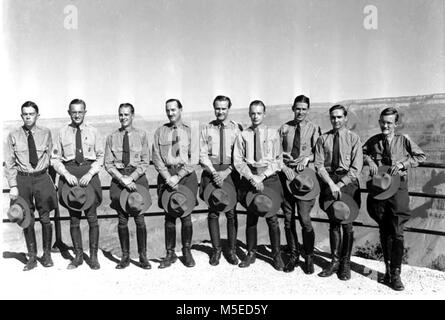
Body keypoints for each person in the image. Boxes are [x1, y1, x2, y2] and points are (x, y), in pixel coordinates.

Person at [363, 107, 426, 291]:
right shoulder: (374, 141)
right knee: (383, 229)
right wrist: (370, 161)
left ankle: (396, 274)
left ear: (396, 124)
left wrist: (403, 163)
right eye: (383, 122)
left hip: (398, 189)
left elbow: (421, 156)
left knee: (397, 230)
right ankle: (387, 272)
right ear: (379, 122)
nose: (385, 125)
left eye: (389, 123)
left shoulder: (403, 140)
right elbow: (362, 152)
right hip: (380, 189)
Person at [5, 101, 58, 271]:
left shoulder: (46, 133)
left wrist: (54, 181)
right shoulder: (13, 135)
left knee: (45, 218)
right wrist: (13, 185)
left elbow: (52, 158)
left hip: (42, 178)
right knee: (26, 218)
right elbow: (9, 163)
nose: (28, 117)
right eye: (25, 114)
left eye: (31, 114)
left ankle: (47, 255)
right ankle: (32, 257)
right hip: (23, 180)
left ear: (37, 115)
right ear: (22, 116)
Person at [51, 99, 103, 270]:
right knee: (74, 219)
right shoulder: (62, 132)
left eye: (80, 112)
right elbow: (55, 159)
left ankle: (93, 257)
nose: (77, 115)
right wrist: (65, 174)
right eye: (74, 112)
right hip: (70, 174)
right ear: (69, 113)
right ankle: (79, 256)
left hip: (89, 173)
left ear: (85, 112)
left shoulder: (94, 131)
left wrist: (90, 172)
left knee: (92, 217)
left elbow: (101, 156)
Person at [233, 100, 285, 271]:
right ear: (249, 114)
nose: (255, 116)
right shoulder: (243, 135)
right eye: (252, 113)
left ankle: (276, 255)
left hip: (268, 177)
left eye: (259, 113)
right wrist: (251, 177)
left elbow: (278, 160)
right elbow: (238, 161)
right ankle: (251, 252)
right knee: (251, 216)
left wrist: (261, 176)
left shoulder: (273, 134)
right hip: (249, 178)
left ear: (264, 114)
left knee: (272, 217)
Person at [314, 104, 363, 280]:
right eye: (333, 117)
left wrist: (340, 184)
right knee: (334, 221)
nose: (336, 120)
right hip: (329, 181)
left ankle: (345, 264)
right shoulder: (323, 139)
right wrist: (330, 183)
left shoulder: (354, 138)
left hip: (347, 183)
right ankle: (334, 262)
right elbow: (319, 164)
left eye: (339, 117)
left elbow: (356, 168)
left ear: (346, 118)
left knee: (347, 223)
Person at [104, 103, 152, 269]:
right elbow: (108, 164)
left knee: (139, 219)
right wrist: (122, 179)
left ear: (132, 115)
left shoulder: (142, 135)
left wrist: (131, 178)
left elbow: (145, 161)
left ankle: (143, 256)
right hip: (119, 180)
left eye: (126, 114)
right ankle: (125, 257)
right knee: (122, 220)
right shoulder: (111, 137)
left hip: (137, 178)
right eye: (121, 115)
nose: (123, 118)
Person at [153, 98, 198, 268]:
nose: (170, 113)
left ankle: (187, 251)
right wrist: (167, 177)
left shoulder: (190, 131)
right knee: (169, 215)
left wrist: (177, 177)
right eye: (168, 110)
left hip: (185, 175)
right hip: (167, 176)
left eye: (173, 109)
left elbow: (194, 158)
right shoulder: (160, 131)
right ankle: (170, 253)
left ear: (181, 110)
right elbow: (156, 158)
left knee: (186, 215)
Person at [279, 95, 322, 273]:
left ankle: (309, 256)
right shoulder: (284, 128)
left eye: (304, 109)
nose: (300, 112)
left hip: (305, 180)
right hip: (287, 177)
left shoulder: (313, 129)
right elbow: (274, 153)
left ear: (308, 110)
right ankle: (293, 255)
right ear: (293, 108)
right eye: (298, 108)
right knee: (288, 220)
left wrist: (307, 157)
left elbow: (319, 154)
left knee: (305, 219)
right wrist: (282, 165)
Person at [199, 95, 242, 266]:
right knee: (213, 211)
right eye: (218, 108)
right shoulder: (206, 129)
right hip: (212, 171)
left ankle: (230, 250)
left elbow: (240, 155)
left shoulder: (237, 128)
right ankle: (216, 250)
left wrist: (227, 172)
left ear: (229, 109)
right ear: (214, 108)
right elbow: (202, 154)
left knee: (231, 212)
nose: (220, 111)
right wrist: (214, 172)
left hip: (230, 172)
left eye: (224, 108)